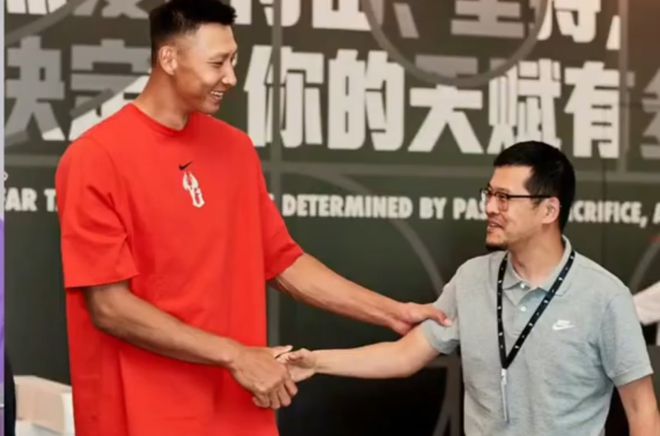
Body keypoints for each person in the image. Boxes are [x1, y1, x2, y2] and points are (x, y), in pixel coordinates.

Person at [54, 1, 448, 435]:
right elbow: (110, 307)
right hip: (143, 415)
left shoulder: (235, 149)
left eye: (234, 60)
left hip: (238, 410)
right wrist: (235, 355)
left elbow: (283, 262)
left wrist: (391, 313)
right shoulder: (96, 157)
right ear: (169, 58)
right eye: (217, 63)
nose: (231, 77)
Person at [280, 142, 660, 436]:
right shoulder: (472, 279)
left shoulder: (604, 296)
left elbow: (642, 409)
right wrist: (316, 362)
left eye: (505, 198)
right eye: (489, 194)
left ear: (549, 210)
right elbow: (404, 356)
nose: (490, 207)